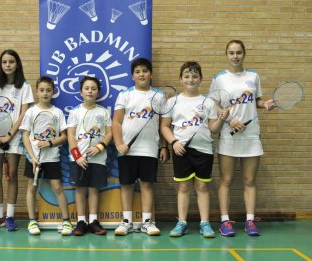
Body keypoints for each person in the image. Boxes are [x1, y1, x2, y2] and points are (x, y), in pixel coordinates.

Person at [211, 40, 273, 236]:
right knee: (226, 180)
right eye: (231, 53)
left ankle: (250, 221)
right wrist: (229, 120)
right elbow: (213, 105)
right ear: (226, 55)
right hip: (229, 135)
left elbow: (256, 101)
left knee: (249, 180)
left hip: (251, 135)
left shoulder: (253, 76)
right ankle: (224, 221)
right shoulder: (220, 78)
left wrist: (265, 105)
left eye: (238, 52)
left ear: (244, 54)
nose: (235, 56)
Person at [160, 61, 229, 238]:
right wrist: (173, 142)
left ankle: (204, 223)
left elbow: (213, 128)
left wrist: (221, 119)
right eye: (187, 76)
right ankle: (182, 222)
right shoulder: (172, 101)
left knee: (202, 187)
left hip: (204, 150)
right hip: (181, 150)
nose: (191, 79)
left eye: (194, 76)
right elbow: (165, 127)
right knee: (183, 187)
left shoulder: (208, 102)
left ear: (201, 79)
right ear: (181, 79)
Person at [112, 57, 168, 236]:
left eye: (144, 71)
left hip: (150, 148)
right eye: (137, 72)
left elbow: (163, 125)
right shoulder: (125, 95)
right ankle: (127, 221)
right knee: (126, 185)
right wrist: (119, 143)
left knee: (147, 185)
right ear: (132, 76)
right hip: (127, 149)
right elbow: (117, 122)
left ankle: (146, 222)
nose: (141, 74)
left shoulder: (159, 96)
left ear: (150, 74)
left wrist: (164, 147)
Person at [0, 49, 34, 231]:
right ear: (0, 65)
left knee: (12, 175)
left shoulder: (24, 87)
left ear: (17, 64)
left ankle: (10, 216)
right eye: (4, 62)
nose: (7, 65)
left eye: (11, 62)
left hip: (14, 137)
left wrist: (9, 135)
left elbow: (25, 112)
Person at [20, 76, 74, 236]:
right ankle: (32, 221)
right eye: (42, 90)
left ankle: (66, 222)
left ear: (53, 92)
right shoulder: (31, 112)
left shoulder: (57, 112)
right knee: (32, 188)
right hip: (34, 159)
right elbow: (25, 136)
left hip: (52, 158)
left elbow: (64, 136)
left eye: (48, 90)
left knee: (57, 188)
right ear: (37, 91)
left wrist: (50, 143)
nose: (45, 93)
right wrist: (33, 157)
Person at [67, 76, 112, 236]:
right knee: (80, 189)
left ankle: (93, 221)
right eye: (87, 88)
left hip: (98, 159)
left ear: (98, 92)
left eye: (93, 88)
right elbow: (71, 136)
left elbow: (109, 133)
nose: (90, 91)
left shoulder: (104, 112)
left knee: (94, 189)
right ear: (81, 92)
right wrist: (77, 156)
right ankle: (81, 222)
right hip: (78, 159)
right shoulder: (74, 112)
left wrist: (100, 147)